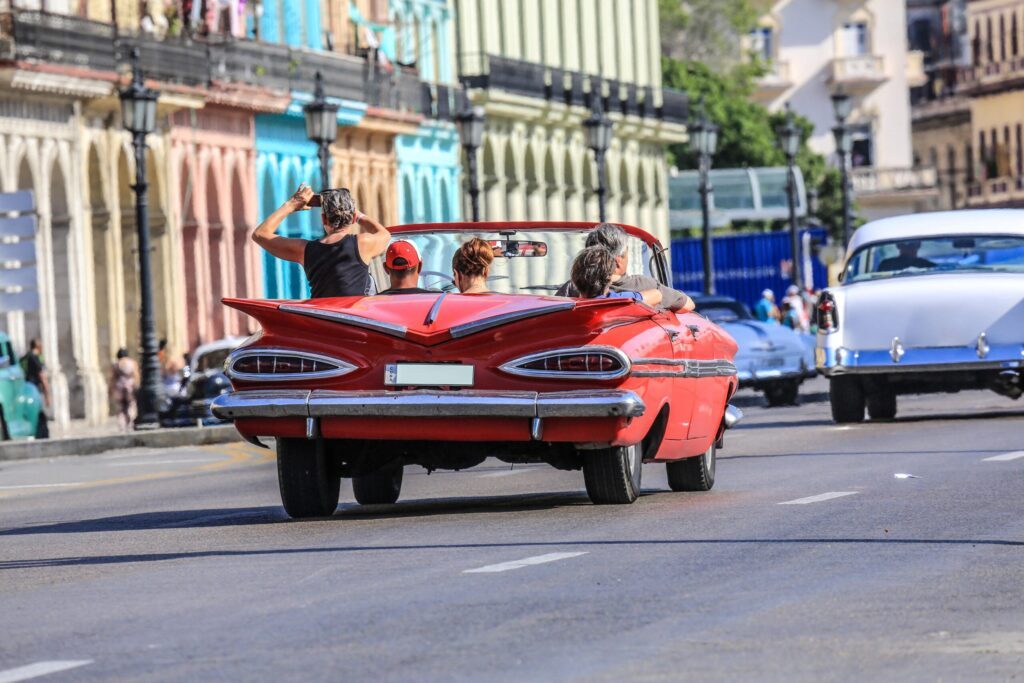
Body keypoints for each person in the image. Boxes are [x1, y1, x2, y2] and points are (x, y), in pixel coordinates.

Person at [252, 184, 390, 297]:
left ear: (324, 219)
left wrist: (290, 205)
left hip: (322, 319)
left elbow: (260, 234)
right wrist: (359, 215)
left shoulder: (304, 250)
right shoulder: (363, 243)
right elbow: (384, 234)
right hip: (355, 320)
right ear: (353, 218)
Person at [556, 223, 694, 312]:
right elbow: (687, 304)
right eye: (627, 252)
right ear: (618, 259)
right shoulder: (644, 285)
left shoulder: (571, 288)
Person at [571, 246, 663, 306]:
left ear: (575, 279)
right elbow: (657, 295)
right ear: (610, 278)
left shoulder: (565, 306)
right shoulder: (621, 301)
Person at [21, 338, 49, 439]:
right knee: (38, 415)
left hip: (23, 389)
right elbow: (41, 375)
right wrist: (47, 394)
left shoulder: (24, 358)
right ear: (38, 347)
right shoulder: (35, 358)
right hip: (34, 389)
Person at [111, 347, 140, 432]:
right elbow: (136, 374)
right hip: (129, 386)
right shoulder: (132, 363)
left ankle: (122, 424)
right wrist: (137, 384)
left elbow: (113, 378)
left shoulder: (116, 364)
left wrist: (112, 389)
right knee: (131, 404)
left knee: (121, 407)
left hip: (119, 387)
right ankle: (131, 422)